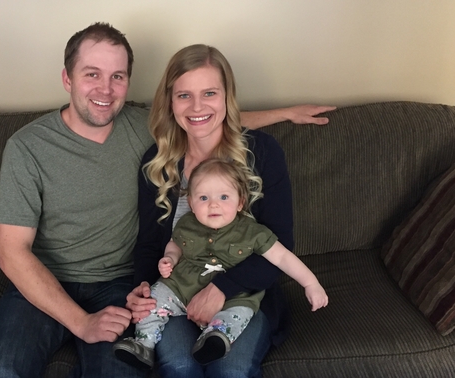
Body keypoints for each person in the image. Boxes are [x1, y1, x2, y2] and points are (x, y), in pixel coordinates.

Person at [0, 22, 334, 378]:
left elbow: (206, 118)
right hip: (88, 285)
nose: (106, 89)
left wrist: (286, 113)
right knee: (1, 369)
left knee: (198, 368)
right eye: (91, 74)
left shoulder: (157, 129)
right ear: (67, 79)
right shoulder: (36, 147)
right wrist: (102, 311)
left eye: (117, 76)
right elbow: (14, 253)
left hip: (170, 288)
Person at [124, 43, 317, 378]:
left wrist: (221, 289)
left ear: (227, 97)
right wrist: (142, 287)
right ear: (170, 101)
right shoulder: (157, 163)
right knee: (180, 366)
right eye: (184, 95)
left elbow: (280, 244)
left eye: (209, 92)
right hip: (176, 291)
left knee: (231, 369)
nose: (197, 106)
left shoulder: (262, 153)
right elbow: (149, 245)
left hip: (243, 295)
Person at [114, 159, 328, 369]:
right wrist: (169, 259)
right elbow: (175, 245)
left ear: (240, 202)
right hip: (180, 287)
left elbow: (282, 257)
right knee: (154, 298)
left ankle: (214, 339)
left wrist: (311, 283)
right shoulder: (186, 223)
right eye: (203, 197)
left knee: (239, 313)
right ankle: (144, 344)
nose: (213, 204)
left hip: (232, 298)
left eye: (224, 197)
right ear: (191, 203)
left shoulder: (253, 232)